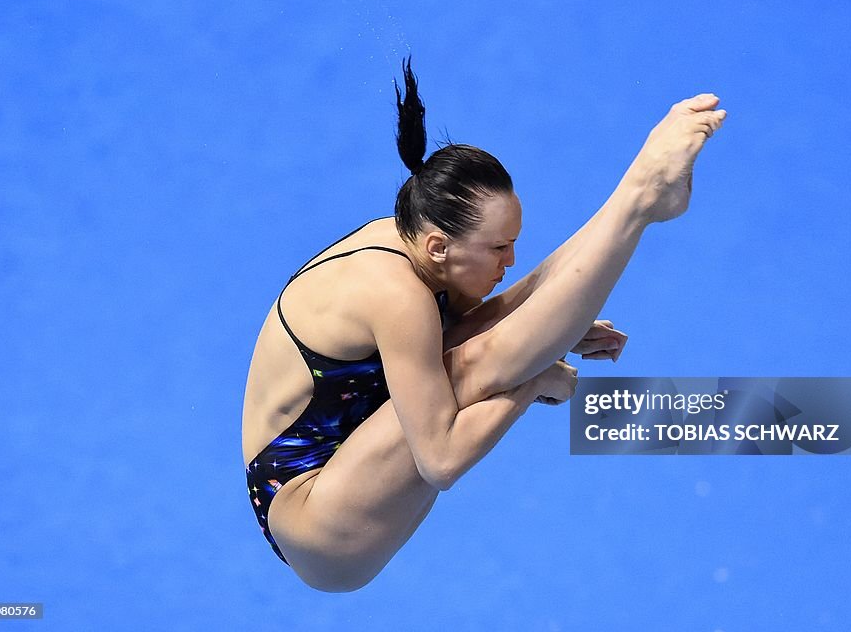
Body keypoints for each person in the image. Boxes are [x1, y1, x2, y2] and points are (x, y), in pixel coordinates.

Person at [242, 58, 726, 592]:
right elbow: (442, 461)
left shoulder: (409, 242)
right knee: (476, 367)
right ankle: (638, 200)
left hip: (343, 466)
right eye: (499, 248)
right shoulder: (396, 294)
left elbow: (483, 320)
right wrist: (532, 379)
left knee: (481, 352)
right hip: (317, 523)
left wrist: (558, 328)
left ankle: (636, 199)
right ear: (438, 246)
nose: (511, 261)